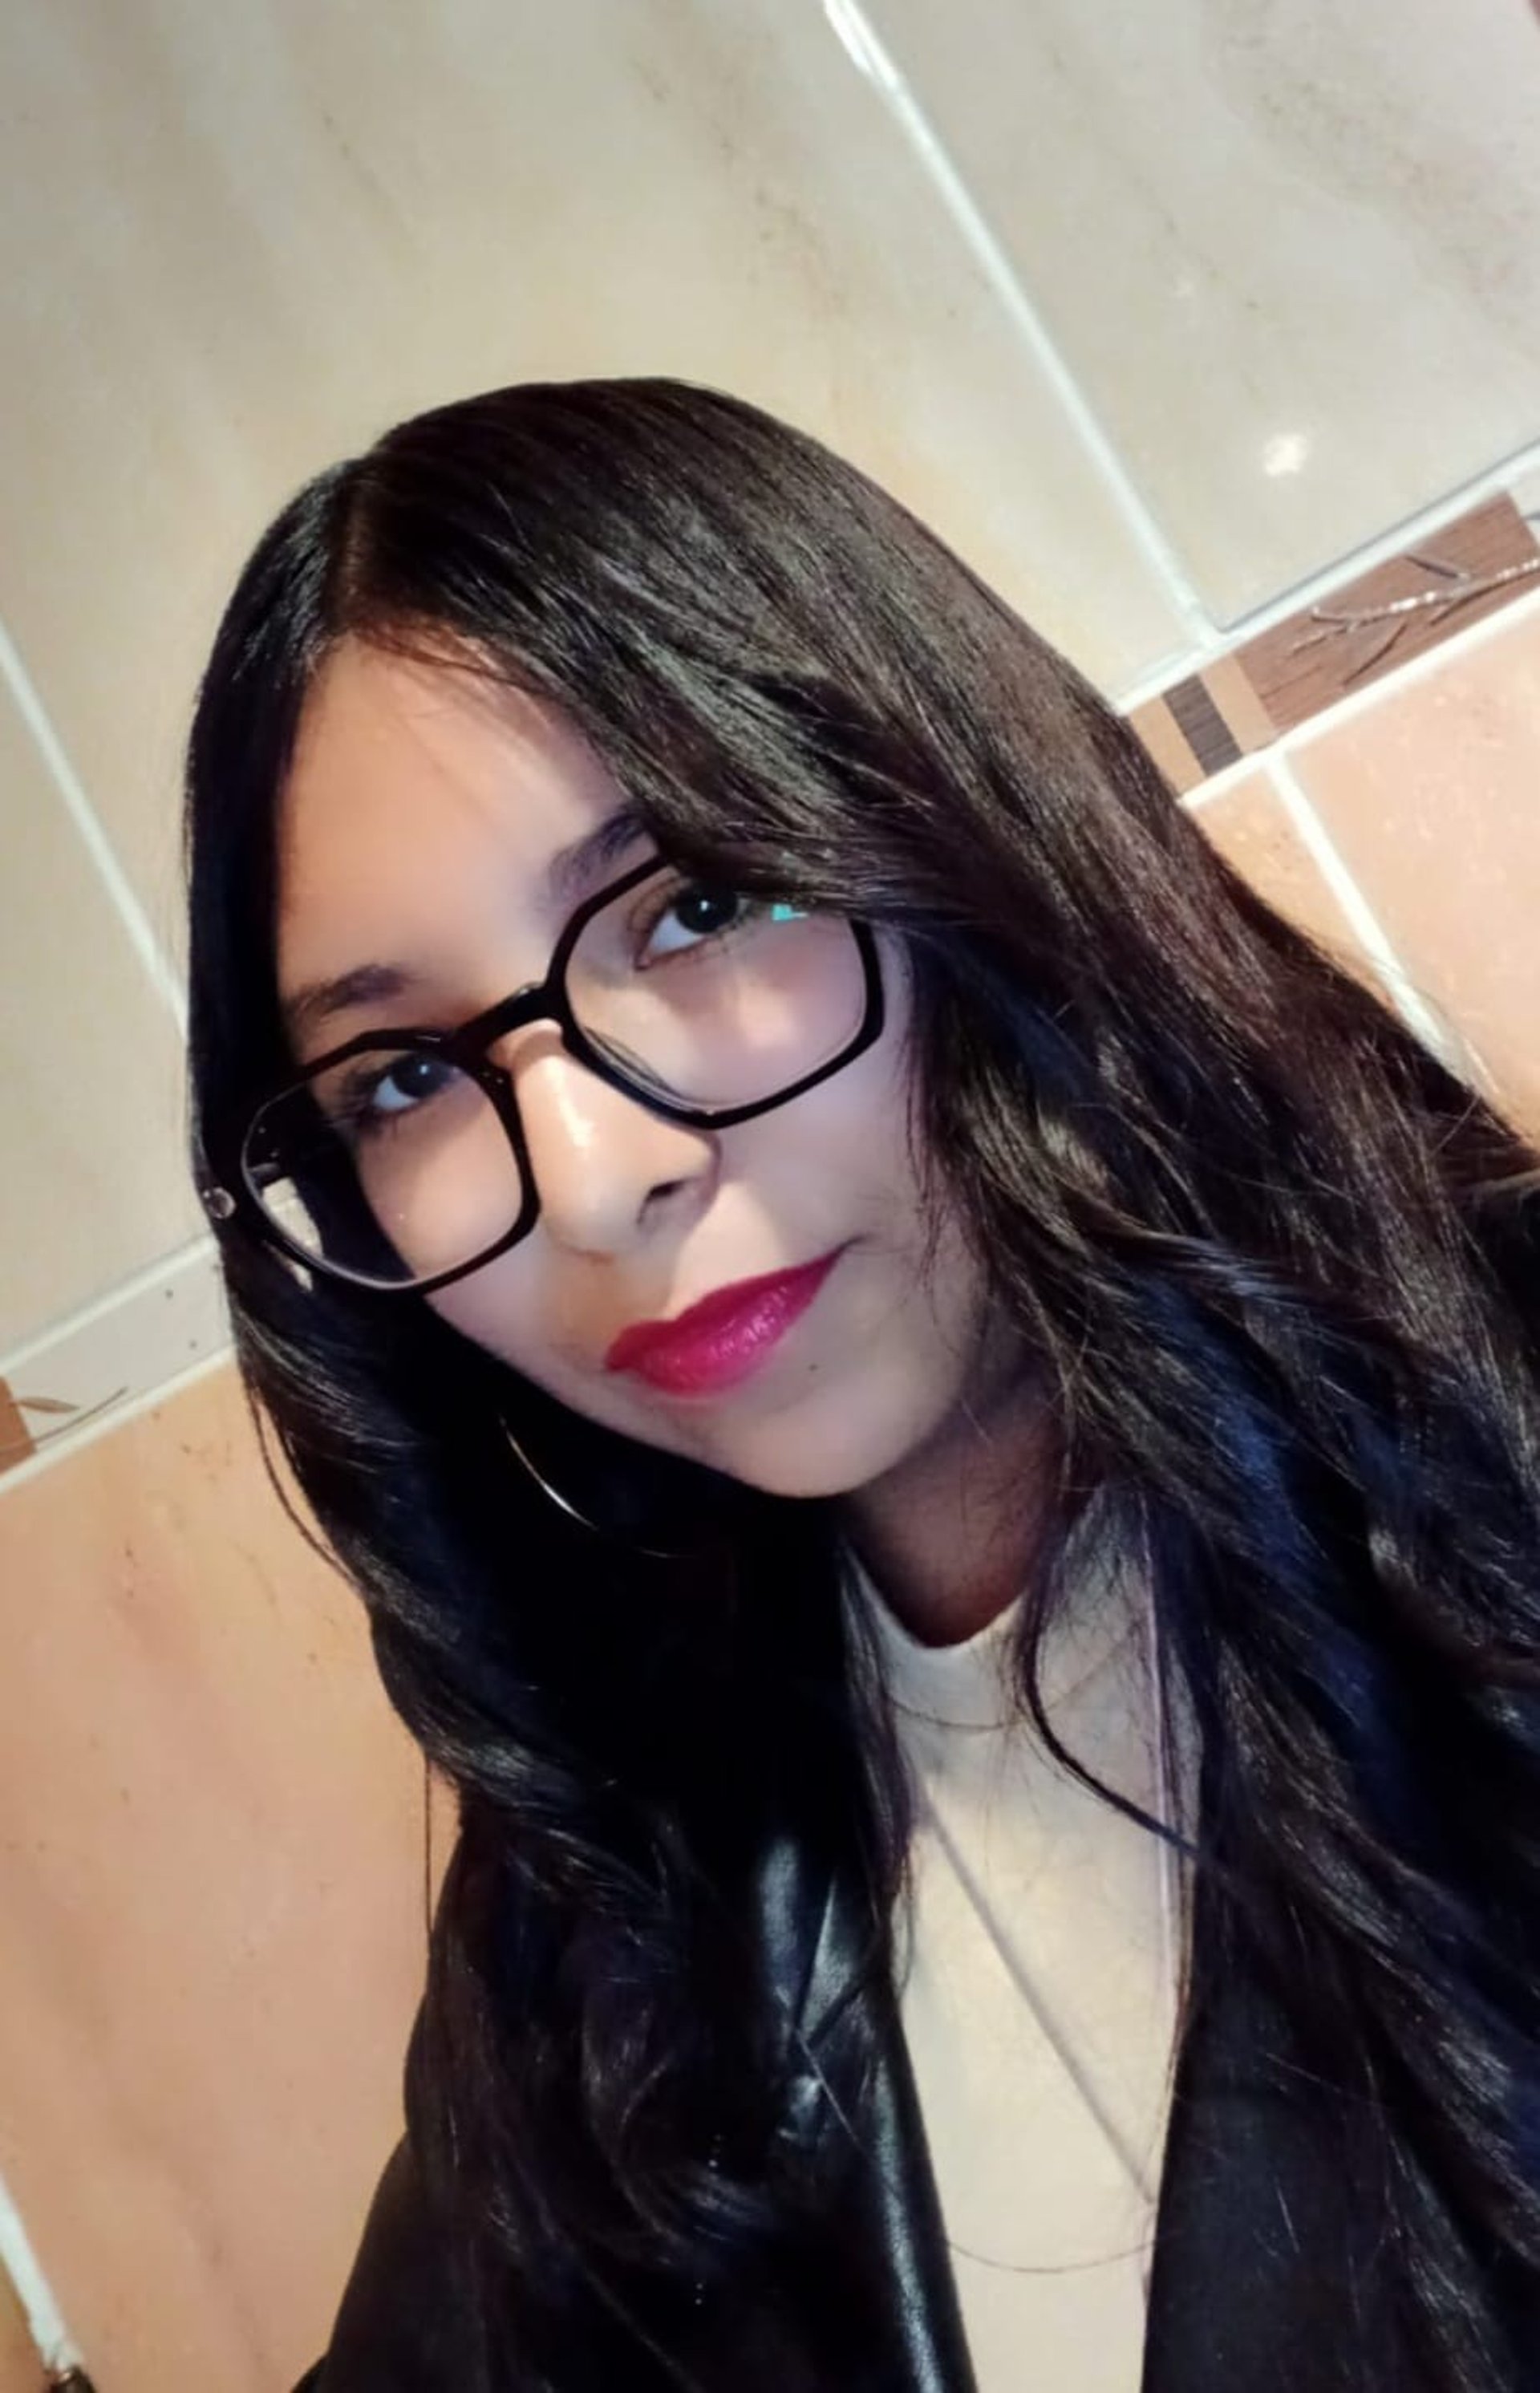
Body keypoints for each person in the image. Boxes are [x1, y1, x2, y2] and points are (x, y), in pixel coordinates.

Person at [182, 378, 1540, 2393]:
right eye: (405, 1078)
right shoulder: (614, 1874)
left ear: (966, 822)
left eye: (698, 903)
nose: (594, 1177)